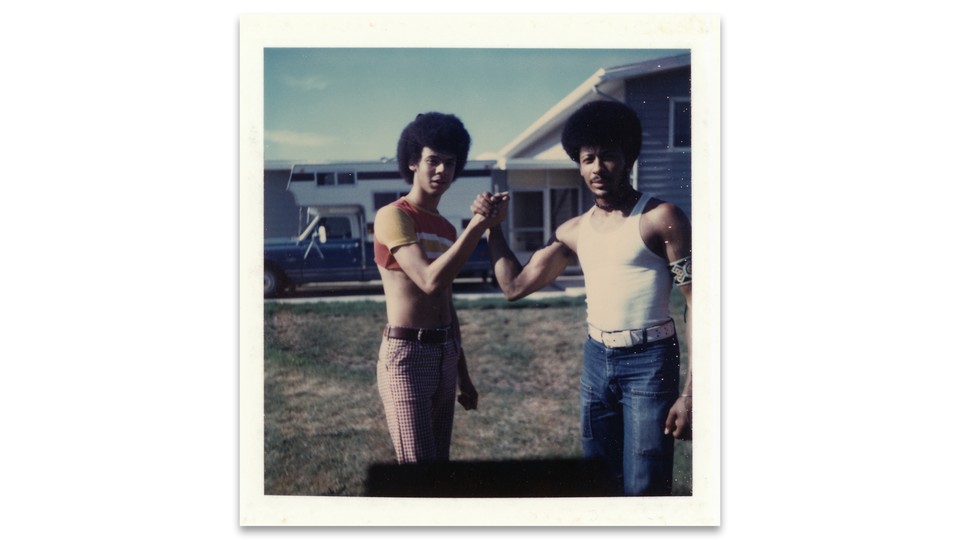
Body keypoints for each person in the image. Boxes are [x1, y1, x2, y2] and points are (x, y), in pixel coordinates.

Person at [472, 100, 693, 495]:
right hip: (596, 362)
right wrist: (492, 228)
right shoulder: (573, 231)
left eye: (608, 156)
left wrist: (693, 394)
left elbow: (700, 304)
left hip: (650, 363)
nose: (597, 168)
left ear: (628, 158)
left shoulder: (661, 219)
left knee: (644, 489)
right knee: (598, 485)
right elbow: (514, 287)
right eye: (587, 158)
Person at [373, 112, 506, 464]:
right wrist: (478, 225)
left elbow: (446, 305)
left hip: (444, 353)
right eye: (433, 161)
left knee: (437, 470)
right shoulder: (393, 215)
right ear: (413, 162)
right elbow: (429, 280)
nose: (442, 171)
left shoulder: (447, 229)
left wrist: (463, 374)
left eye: (450, 163)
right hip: (407, 355)